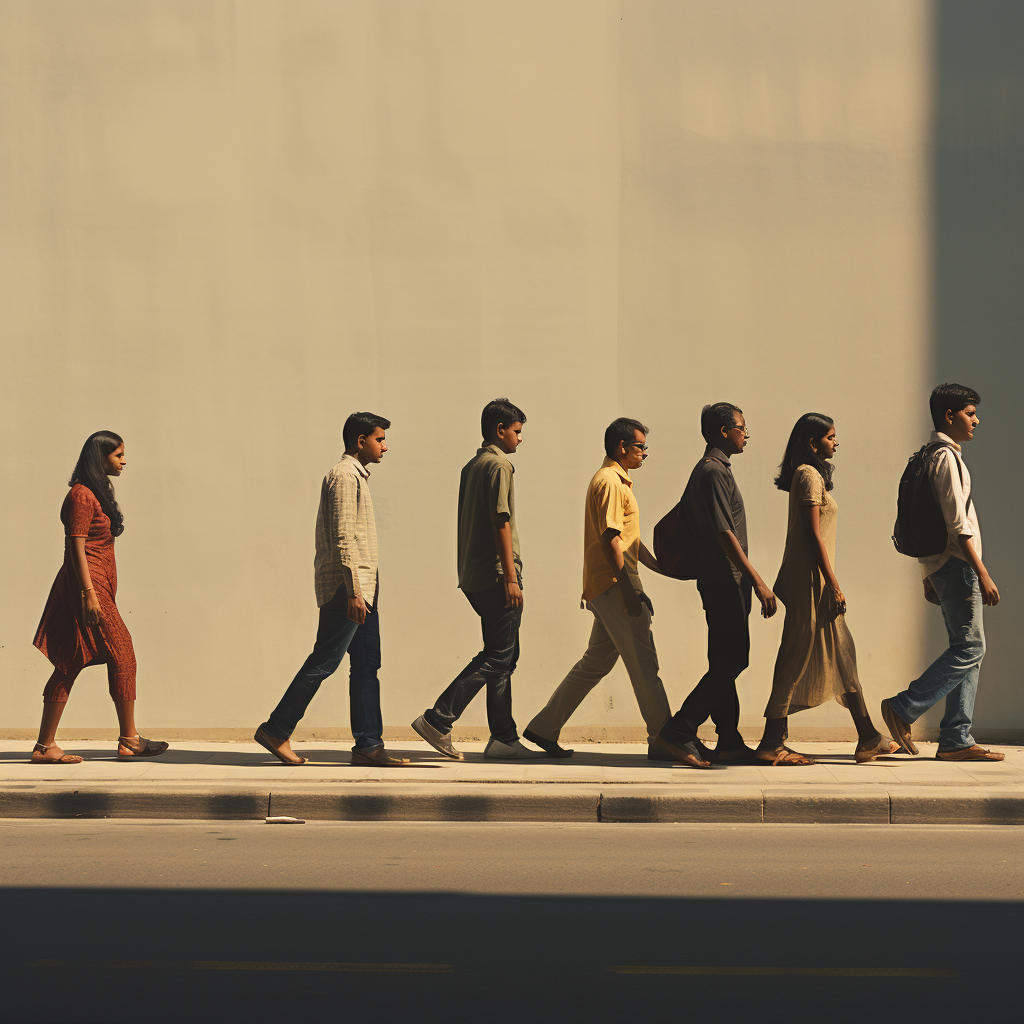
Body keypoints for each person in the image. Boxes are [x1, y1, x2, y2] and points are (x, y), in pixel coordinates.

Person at [255, 413, 410, 767]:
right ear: (360, 441)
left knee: (368, 665)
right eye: (379, 439)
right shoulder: (343, 476)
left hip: (363, 588)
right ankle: (276, 729)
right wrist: (354, 591)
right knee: (324, 661)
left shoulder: (356, 476)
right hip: (348, 588)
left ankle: (369, 744)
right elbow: (343, 537)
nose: (385, 446)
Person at [524, 418, 673, 760]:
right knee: (644, 665)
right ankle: (665, 737)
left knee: (595, 662)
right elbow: (610, 539)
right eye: (641, 447)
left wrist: (660, 567)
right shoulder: (610, 482)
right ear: (622, 447)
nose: (644, 454)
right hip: (614, 585)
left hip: (608, 584)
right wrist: (627, 590)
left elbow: (626, 539)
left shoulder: (617, 481)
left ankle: (544, 727)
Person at [756, 414, 898, 765]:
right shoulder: (807, 475)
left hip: (817, 582)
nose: (836, 442)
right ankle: (772, 742)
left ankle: (868, 737)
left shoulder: (813, 475)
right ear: (811, 442)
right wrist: (833, 584)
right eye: (831, 437)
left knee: (843, 654)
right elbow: (812, 535)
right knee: (796, 655)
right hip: (811, 584)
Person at [881, 384, 1004, 762]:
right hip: (959, 566)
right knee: (971, 647)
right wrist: (981, 571)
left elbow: (927, 520)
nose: (976, 420)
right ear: (949, 416)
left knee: (966, 649)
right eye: (970, 413)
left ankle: (955, 738)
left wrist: (927, 574)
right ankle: (904, 706)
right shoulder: (946, 458)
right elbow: (956, 525)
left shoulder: (929, 455)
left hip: (943, 567)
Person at [413, 398, 540, 760]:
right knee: (499, 656)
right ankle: (438, 719)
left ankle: (503, 737)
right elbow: (501, 520)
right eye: (517, 431)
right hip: (498, 575)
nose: (520, 439)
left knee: (504, 655)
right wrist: (511, 578)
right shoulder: (500, 465)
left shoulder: (472, 465)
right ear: (500, 431)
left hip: (473, 575)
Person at [652, 403, 777, 767]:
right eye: (741, 427)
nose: (746, 433)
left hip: (721, 579)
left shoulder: (714, 471)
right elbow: (725, 533)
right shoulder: (711, 473)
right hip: (725, 580)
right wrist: (758, 581)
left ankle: (730, 740)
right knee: (733, 660)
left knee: (724, 660)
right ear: (723, 431)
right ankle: (680, 729)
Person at [31, 431, 168, 764]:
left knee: (70, 659)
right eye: (118, 455)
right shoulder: (81, 496)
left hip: (94, 587)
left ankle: (45, 746)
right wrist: (90, 594)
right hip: (89, 588)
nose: (124, 461)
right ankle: (130, 740)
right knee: (123, 653)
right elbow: (75, 546)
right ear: (100, 457)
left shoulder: (93, 492)